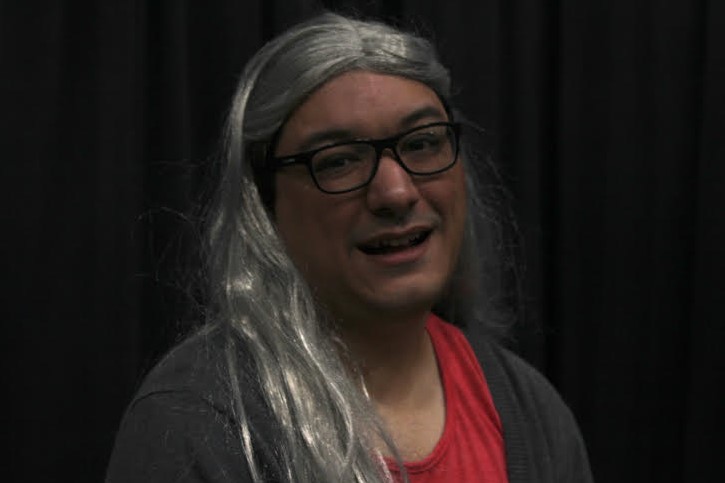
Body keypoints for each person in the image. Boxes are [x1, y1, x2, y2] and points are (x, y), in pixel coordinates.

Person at [106, 12, 593, 483]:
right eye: (339, 161)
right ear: (265, 203)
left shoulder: (533, 415)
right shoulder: (196, 423)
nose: (396, 193)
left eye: (422, 143)